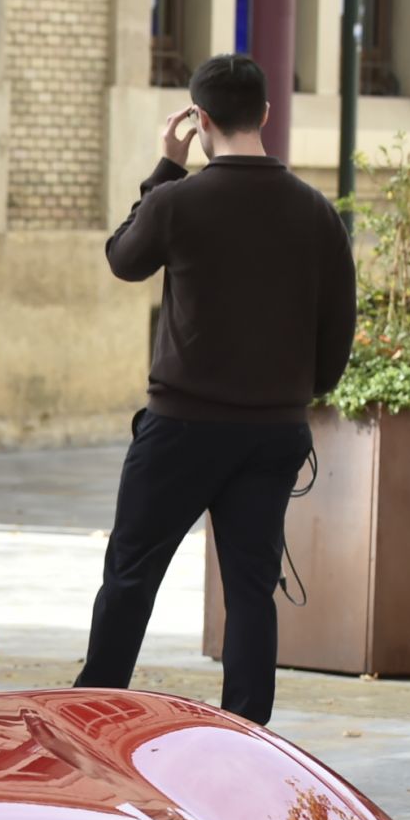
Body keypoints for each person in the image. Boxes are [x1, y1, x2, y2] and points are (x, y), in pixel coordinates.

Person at [76, 55, 355, 725]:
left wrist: (166, 167)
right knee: (253, 589)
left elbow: (123, 259)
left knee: (131, 575)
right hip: (272, 433)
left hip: (182, 427)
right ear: (265, 114)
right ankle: (249, 727)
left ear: (199, 120)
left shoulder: (179, 200)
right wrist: (298, 395)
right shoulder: (316, 212)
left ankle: (91, 712)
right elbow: (338, 325)